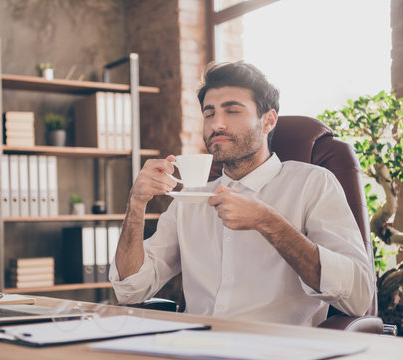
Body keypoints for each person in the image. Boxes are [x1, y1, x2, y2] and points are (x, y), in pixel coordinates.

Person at [109, 61, 375, 327]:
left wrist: (268, 222)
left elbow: (359, 297)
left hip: (278, 352)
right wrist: (136, 204)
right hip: (196, 350)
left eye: (232, 110)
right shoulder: (190, 200)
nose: (217, 124)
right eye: (209, 113)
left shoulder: (313, 184)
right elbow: (130, 289)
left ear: (268, 120)